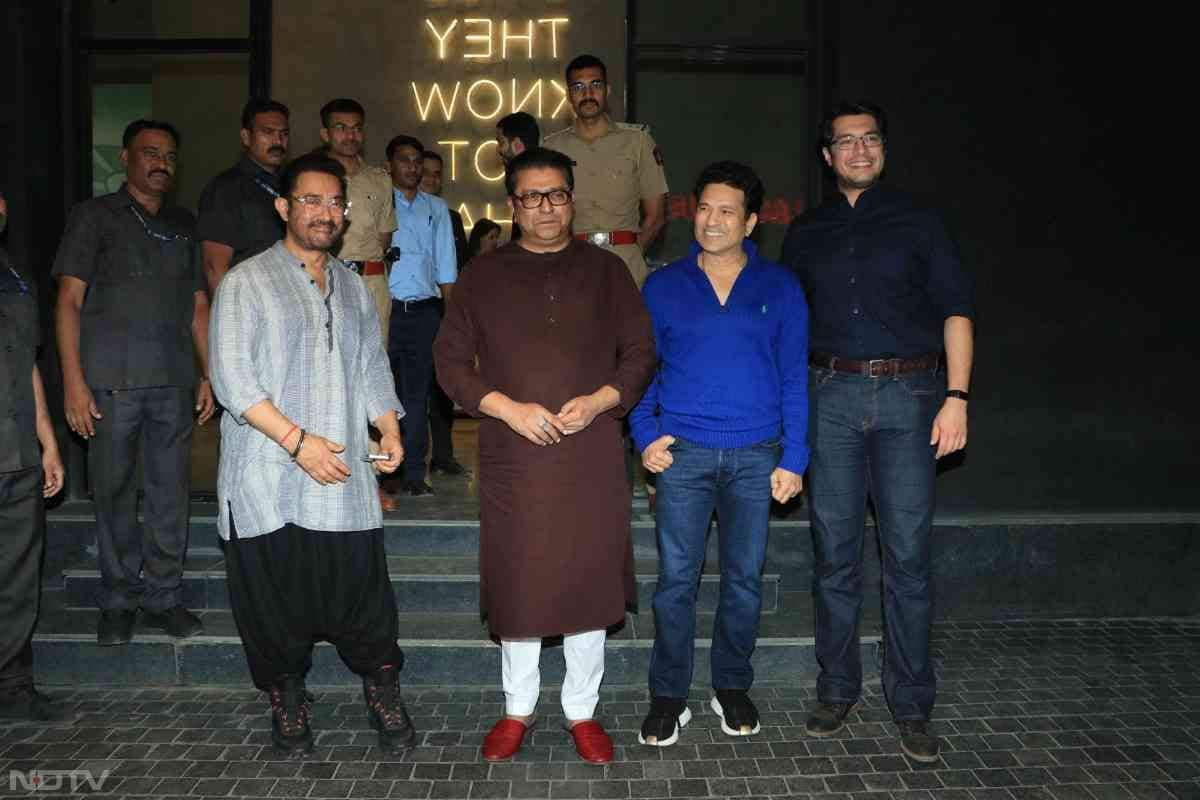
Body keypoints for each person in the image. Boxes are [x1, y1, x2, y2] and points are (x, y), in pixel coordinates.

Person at [434, 148, 656, 765]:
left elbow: (640, 351)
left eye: (556, 194)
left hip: (590, 451)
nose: (546, 207)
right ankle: (518, 707)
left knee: (587, 575)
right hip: (514, 453)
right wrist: (508, 407)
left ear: (572, 198)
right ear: (513, 205)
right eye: (531, 196)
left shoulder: (607, 270)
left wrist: (602, 400)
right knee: (520, 579)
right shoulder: (484, 275)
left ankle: (582, 711)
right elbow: (450, 362)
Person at [780, 101, 975, 763]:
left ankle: (913, 704)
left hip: (912, 399)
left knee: (908, 561)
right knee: (834, 555)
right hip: (829, 396)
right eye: (846, 141)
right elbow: (786, 328)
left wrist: (957, 396)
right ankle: (837, 688)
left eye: (870, 139)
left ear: (882, 149)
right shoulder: (805, 232)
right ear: (827, 156)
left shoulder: (921, 222)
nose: (860, 149)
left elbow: (956, 311)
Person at [208, 153, 415, 756]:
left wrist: (388, 428)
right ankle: (287, 696)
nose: (324, 213)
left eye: (334, 203)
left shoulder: (352, 284)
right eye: (310, 201)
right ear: (283, 208)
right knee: (271, 600)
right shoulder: (246, 281)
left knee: (364, 596)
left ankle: (382, 688)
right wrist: (298, 444)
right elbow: (232, 380)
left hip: (344, 480)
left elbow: (372, 367)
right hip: (267, 477)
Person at [630, 162, 808, 747]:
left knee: (743, 580)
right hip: (683, 454)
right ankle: (669, 695)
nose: (713, 220)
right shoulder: (662, 286)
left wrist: (795, 457)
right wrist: (644, 431)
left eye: (728, 210)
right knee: (676, 581)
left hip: (758, 456)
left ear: (752, 222)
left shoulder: (780, 287)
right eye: (704, 207)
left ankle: (730, 684)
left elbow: (793, 378)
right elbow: (639, 370)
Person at [53, 119, 213, 647]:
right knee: (115, 497)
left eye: (169, 154)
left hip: (172, 384)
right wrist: (73, 384)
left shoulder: (184, 225)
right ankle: (119, 599)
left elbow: (197, 307)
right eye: (149, 152)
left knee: (170, 497)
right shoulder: (93, 217)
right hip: (109, 387)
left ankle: (164, 597)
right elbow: (68, 302)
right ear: (125, 158)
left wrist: (210, 372)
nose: (161, 162)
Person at [0, 192, 70, 723]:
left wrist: (47, 441)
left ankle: (15, 686)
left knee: (19, 580)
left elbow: (27, 361)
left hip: (18, 453)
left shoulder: (13, 274)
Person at [320, 98, 401, 510]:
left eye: (355, 128)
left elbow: (385, 239)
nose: (348, 136)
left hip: (371, 283)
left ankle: (372, 477)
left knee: (371, 378)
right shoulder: (317, 177)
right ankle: (332, 466)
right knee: (329, 376)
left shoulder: (379, 180)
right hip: (325, 280)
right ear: (325, 134)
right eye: (339, 128)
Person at [543, 54, 668, 288]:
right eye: (578, 87)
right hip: (570, 264)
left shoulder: (638, 141)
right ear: (569, 95)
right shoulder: (551, 148)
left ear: (607, 90)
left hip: (626, 265)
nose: (588, 94)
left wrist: (631, 251)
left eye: (595, 85)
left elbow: (656, 216)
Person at [384, 136, 457, 497]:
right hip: (385, 311)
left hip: (425, 312)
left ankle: (414, 472)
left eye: (416, 161)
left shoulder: (437, 208)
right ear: (390, 166)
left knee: (416, 396)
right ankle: (384, 472)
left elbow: (446, 264)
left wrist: (452, 317)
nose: (412, 167)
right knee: (381, 394)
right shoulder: (380, 205)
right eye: (404, 160)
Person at [198, 98, 290, 292]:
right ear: (246, 137)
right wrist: (230, 317)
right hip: (250, 302)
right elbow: (214, 266)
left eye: (284, 133)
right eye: (268, 132)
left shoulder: (294, 184)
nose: (278, 141)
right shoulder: (226, 189)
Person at [419, 150, 469, 478]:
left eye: (438, 174)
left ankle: (444, 455)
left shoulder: (449, 217)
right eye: (427, 172)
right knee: (406, 388)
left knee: (442, 384)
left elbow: (460, 264)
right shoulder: (393, 211)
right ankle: (407, 460)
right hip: (408, 307)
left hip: (442, 307)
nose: (433, 179)